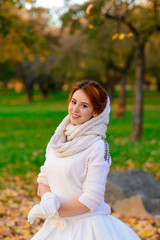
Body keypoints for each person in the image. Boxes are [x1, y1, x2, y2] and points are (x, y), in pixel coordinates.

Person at [28, 80, 141, 240]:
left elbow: (91, 198)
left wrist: (52, 210)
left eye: (84, 105)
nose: (75, 109)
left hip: (89, 228)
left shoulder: (97, 146)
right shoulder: (57, 141)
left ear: (96, 112)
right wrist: (47, 198)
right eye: (74, 102)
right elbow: (44, 180)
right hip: (57, 226)